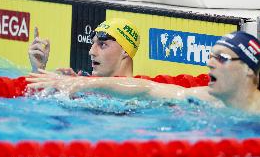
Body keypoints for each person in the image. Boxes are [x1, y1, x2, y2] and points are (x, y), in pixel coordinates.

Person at [27, 31, 260, 113]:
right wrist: (77, 83)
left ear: (249, 70)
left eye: (222, 58)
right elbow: (148, 89)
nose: (210, 64)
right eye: (210, 57)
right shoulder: (207, 99)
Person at [28, 18, 140, 77]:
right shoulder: (83, 85)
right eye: (92, 44)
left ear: (125, 51)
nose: (91, 52)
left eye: (102, 45)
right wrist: (38, 70)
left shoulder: (143, 91)